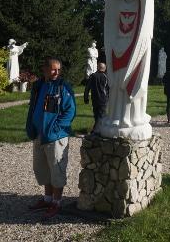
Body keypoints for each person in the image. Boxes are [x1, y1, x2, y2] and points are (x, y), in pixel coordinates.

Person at [25, 57, 76, 220]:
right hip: (39, 135)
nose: (56, 72)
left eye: (59, 70)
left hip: (55, 137)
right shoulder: (38, 86)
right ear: (45, 69)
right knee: (42, 168)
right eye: (53, 69)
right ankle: (47, 199)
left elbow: (70, 111)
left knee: (57, 170)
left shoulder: (63, 87)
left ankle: (57, 202)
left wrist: (55, 128)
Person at [83, 62, 109, 132]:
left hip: (94, 99)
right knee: (101, 116)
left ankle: (96, 130)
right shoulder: (106, 76)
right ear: (105, 68)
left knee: (96, 115)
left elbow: (87, 88)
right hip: (103, 99)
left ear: (97, 67)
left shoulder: (93, 76)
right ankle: (96, 130)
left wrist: (86, 98)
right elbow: (108, 89)